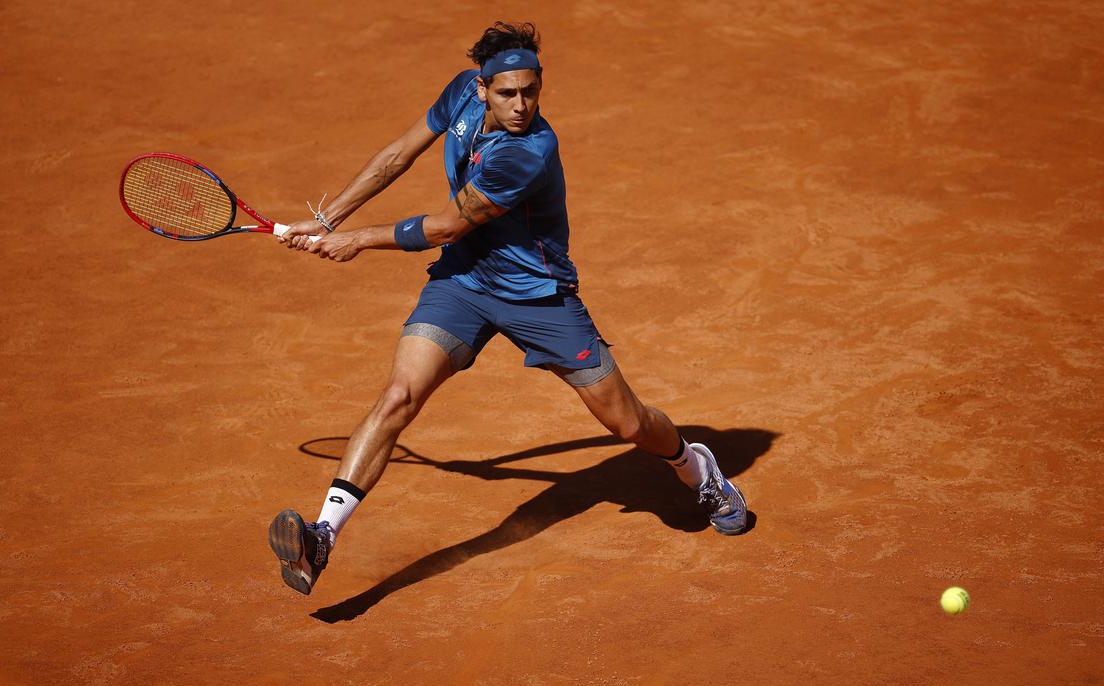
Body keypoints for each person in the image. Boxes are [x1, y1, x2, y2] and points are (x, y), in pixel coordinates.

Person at [267, 21, 747, 596]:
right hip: (464, 283)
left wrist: (358, 240)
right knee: (399, 396)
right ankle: (322, 535)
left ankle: (698, 468)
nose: (522, 105)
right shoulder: (457, 95)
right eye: (507, 93)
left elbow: (446, 224)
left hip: (539, 298)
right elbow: (396, 156)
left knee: (628, 423)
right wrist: (327, 220)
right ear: (480, 88)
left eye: (532, 91)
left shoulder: (530, 151)